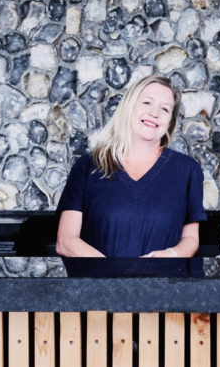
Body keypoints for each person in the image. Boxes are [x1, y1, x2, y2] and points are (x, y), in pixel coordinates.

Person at [56, 75, 206, 257]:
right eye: (147, 103)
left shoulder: (188, 170)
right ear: (129, 107)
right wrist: (110, 270)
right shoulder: (87, 166)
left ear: (169, 122)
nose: (155, 113)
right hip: (99, 276)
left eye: (165, 109)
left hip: (164, 276)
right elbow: (66, 242)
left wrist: (170, 255)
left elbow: (191, 239)